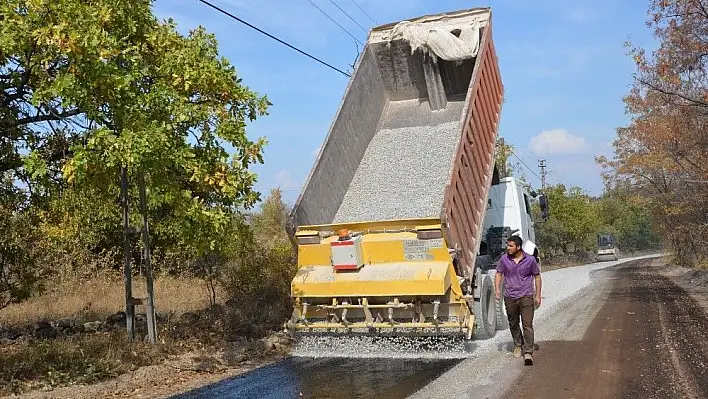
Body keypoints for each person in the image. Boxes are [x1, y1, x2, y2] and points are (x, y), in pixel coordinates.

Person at [495, 235, 542, 365]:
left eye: (510, 246)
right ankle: (518, 345)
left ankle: (528, 352)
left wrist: (538, 295)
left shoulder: (530, 260)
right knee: (513, 323)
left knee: (527, 324)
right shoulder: (504, 259)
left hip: (526, 296)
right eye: (507, 245)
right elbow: (499, 273)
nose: (508, 248)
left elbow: (537, 277)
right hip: (510, 297)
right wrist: (497, 289)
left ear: (518, 247)